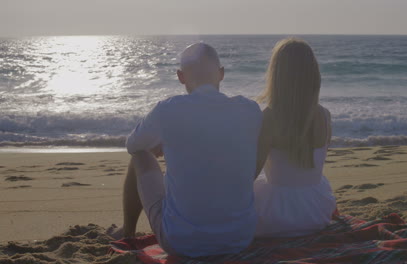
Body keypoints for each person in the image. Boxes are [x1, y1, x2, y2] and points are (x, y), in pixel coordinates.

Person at [120, 43, 262, 257]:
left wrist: (164, 141)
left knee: (140, 154)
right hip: (240, 238)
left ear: (181, 76)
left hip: (182, 242)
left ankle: (127, 231)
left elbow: (133, 145)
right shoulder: (250, 110)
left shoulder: (168, 109)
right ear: (221, 74)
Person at [254, 38, 336, 237]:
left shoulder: (269, 117)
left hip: (276, 217)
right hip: (317, 212)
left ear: (277, 75)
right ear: (313, 74)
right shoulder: (325, 115)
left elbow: (251, 173)